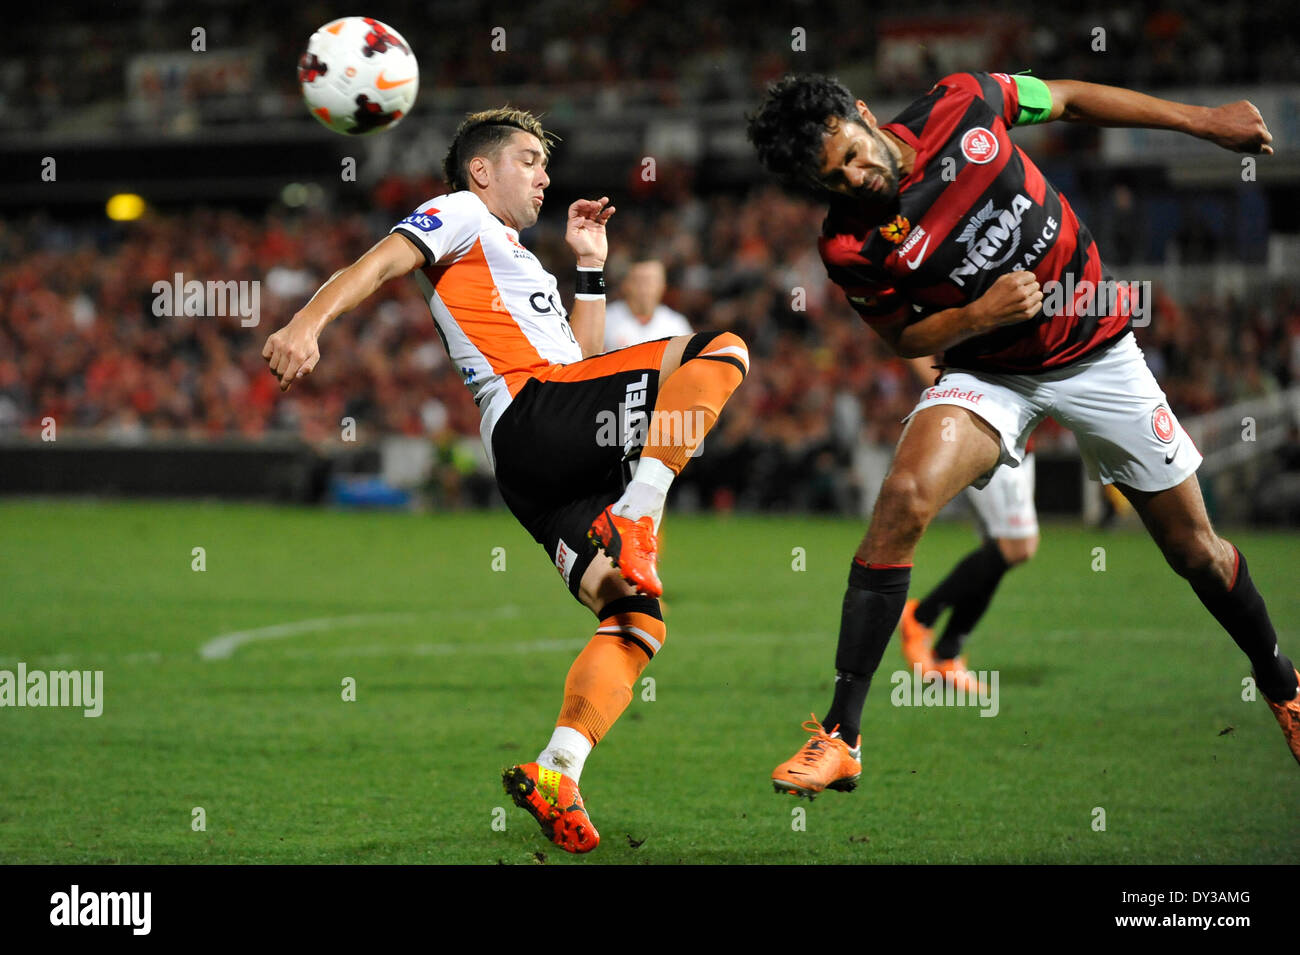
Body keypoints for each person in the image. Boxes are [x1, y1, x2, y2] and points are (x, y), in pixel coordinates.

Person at [746, 71, 1296, 797]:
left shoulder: (962, 103)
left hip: (1098, 350)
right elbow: (901, 336)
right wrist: (977, 316)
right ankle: (842, 736)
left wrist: (1203, 120)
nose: (857, 178)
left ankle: (1284, 687)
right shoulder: (848, 244)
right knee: (904, 496)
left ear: (864, 114)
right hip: (990, 372)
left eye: (853, 153)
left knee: (1196, 550)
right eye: (836, 179)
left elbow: (1071, 98)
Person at [262, 107, 749, 850]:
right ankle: (642, 513)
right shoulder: (459, 212)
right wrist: (308, 322)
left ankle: (559, 767)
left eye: (545, 162)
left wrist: (589, 264)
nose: (545, 174)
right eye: (528, 159)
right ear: (482, 171)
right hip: (533, 414)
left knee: (635, 617)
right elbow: (379, 260)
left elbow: (583, 365)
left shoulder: (522, 262)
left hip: (535, 460)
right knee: (721, 348)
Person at [898, 357, 1039, 694]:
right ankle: (920, 617)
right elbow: (915, 346)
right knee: (1017, 546)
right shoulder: (973, 309)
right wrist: (955, 394)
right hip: (989, 431)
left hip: (1019, 438)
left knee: (998, 551)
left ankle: (948, 654)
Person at [603, 260, 693, 351]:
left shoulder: (677, 325)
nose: (645, 287)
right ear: (625, 284)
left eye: (652, 280)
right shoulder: (605, 320)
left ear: (663, 286)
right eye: (639, 280)